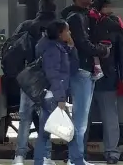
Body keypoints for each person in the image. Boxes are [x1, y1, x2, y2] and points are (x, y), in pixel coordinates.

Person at [61, 0, 110, 165]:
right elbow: (83, 44)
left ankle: (76, 158)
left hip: (83, 70)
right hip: (82, 71)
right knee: (80, 120)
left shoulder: (76, 15)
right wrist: (102, 50)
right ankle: (75, 159)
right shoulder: (76, 17)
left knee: (81, 118)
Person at [13, 0, 58, 165]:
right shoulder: (59, 27)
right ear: (54, 8)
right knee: (46, 119)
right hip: (49, 80)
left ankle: (19, 156)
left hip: (29, 80)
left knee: (25, 119)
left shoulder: (26, 26)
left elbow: (14, 50)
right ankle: (45, 157)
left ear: (39, 7)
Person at [88, 0, 123, 164]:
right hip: (100, 78)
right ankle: (111, 152)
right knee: (108, 116)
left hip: (93, 78)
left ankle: (82, 151)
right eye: (107, 6)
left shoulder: (108, 23)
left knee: (86, 117)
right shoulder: (91, 21)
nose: (111, 9)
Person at [33, 20, 79, 165]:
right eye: (68, 30)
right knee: (71, 132)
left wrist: (71, 45)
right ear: (60, 33)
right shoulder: (53, 50)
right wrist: (61, 98)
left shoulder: (53, 46)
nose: (70, 33)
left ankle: (38, 161)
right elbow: (54, 75)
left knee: (44, 133)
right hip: (54, 96)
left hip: (49, 94)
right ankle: (78, 161)